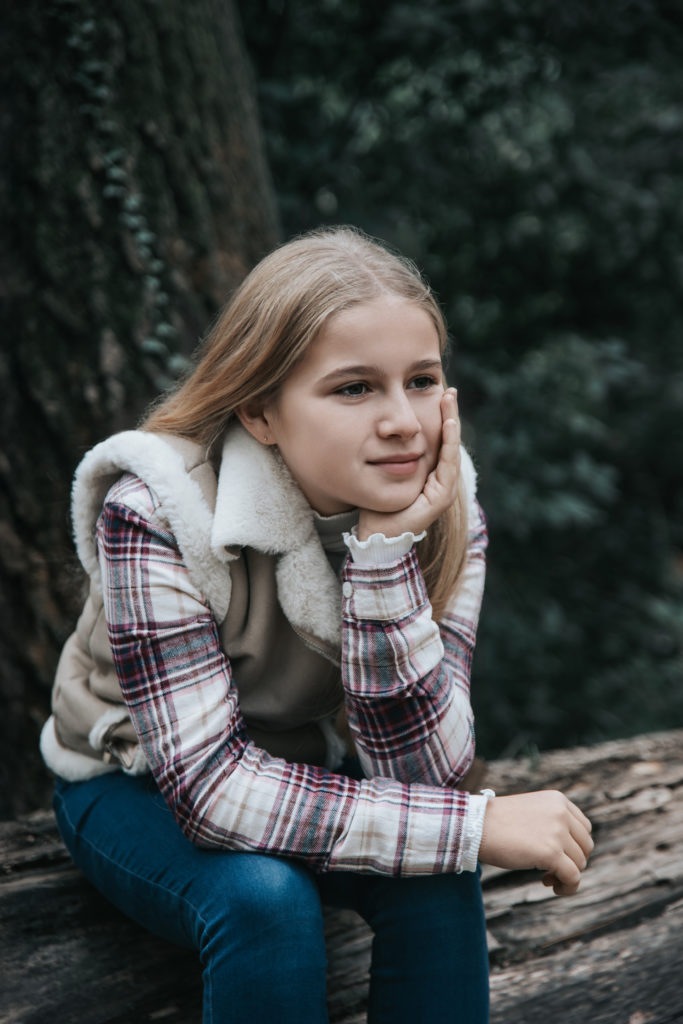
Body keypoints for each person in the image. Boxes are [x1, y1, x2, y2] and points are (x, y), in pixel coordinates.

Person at [40, 226, 593, 1023]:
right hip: (137, 782)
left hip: (308, 767)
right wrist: (478, 823)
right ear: (261, 411)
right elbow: (209, 790)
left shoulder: (449, 507)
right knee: (265, 898)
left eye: (422, 380)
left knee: (437, 873)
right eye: (354, 388)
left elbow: (425, 777)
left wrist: (383, 561)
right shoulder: (158, 509)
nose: (404, 421)